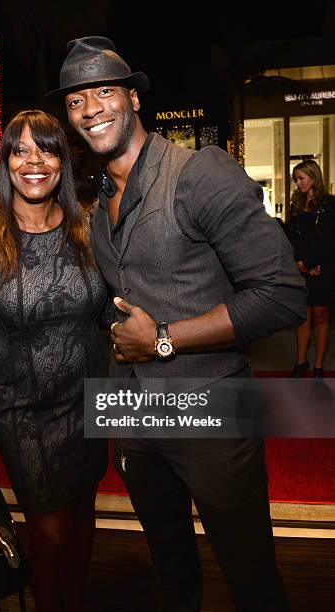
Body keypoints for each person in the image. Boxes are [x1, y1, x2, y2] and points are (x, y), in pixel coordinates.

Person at [46, 37, 307, 611]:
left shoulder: (199, 173)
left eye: (104, 92)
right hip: (135, 417)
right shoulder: (100, 199)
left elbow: (284, 295)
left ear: (134, 99)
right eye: (76, 101)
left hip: (212, 408)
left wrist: (162, 339)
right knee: (169, 562)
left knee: (250, 575)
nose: (90, 109)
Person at [0, 109, 109, 612]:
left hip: (89, 403)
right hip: (25, 415)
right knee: (52, 534)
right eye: (20, 150)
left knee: (84, 518)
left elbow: (108, 311)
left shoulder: (88, 228)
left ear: (63, 160)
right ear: (5, 164)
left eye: (46, 149)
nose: (33, 161)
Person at [286, 160, 335, 378]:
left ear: (313, 177)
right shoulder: (295, 204)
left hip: (323, 268)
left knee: (321, 315)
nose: (298, 183)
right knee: (302, 316)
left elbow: (330, 240)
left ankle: (318, 366)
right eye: (296, 179)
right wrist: (299, 264)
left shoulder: (330, 204)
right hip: (300, 268)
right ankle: (300, 363)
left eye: (301, 178)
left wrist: (313, 264)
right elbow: (290, 238)